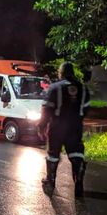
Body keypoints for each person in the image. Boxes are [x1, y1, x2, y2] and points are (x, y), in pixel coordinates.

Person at [38, 61, 90, 198]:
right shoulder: (83, 89)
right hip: (75, 127)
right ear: (72, 73)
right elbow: (86, 109)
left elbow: (46, 109)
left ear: (61, 73)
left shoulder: (55, 88)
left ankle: (50, 182)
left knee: (53, 154)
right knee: (76, 153)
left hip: (57, 127)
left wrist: (41, 126)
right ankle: (78, 181)